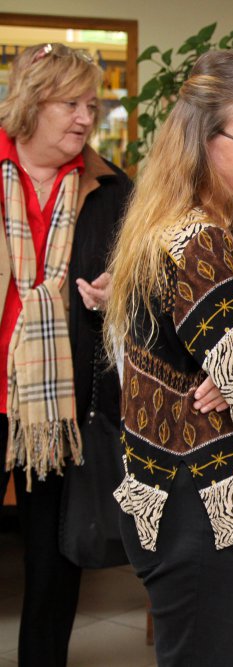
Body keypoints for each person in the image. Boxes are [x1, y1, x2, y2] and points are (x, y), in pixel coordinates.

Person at [103, 51, 233, 666]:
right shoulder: (199, 242)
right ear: (203, 138)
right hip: (202, 508)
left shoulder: (203, 225)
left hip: (189, 502)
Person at [0, 42, 131, 666]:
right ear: (31, 103)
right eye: (70, 104)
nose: (85, 118)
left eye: (91, 105)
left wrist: (117, 290)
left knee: (54, 562)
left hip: (60, 408)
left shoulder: (112, 189)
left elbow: (143, 281)